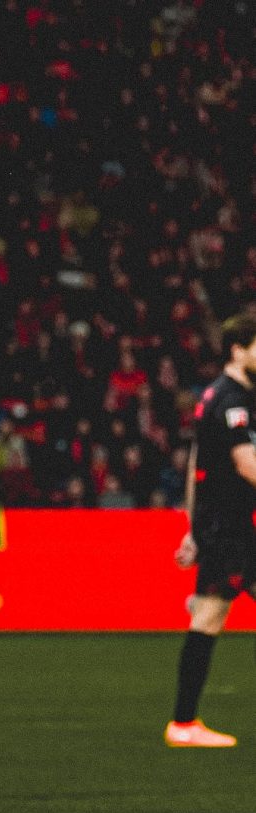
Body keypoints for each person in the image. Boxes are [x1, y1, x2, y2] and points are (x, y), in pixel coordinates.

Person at [166, 313, 256, 748]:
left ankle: (184, 722)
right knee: (207, 615)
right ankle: (183, 723)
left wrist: (192, 528)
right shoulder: (232, 400)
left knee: (207, 616)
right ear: (239, 348)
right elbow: (245, 464)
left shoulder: (217, 396)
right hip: (233, 529)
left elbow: (195, 466)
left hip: (223, 527)